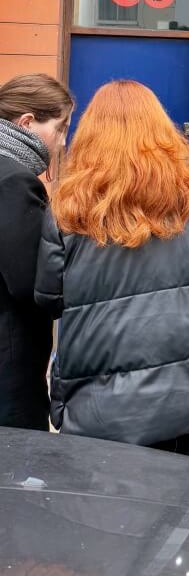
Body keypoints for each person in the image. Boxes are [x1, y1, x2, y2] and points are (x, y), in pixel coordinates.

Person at [35, 80, 189, 457]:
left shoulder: (66, 203)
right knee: (183, 507)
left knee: (101, 512)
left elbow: (49, 298)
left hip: (97, 404)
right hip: (184, 396)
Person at [0, 74, 74, 431]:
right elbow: (31, 283)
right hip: (8, 369)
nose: (62, 142)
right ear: (27, 122)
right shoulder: (13, 180)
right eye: (59, 129)